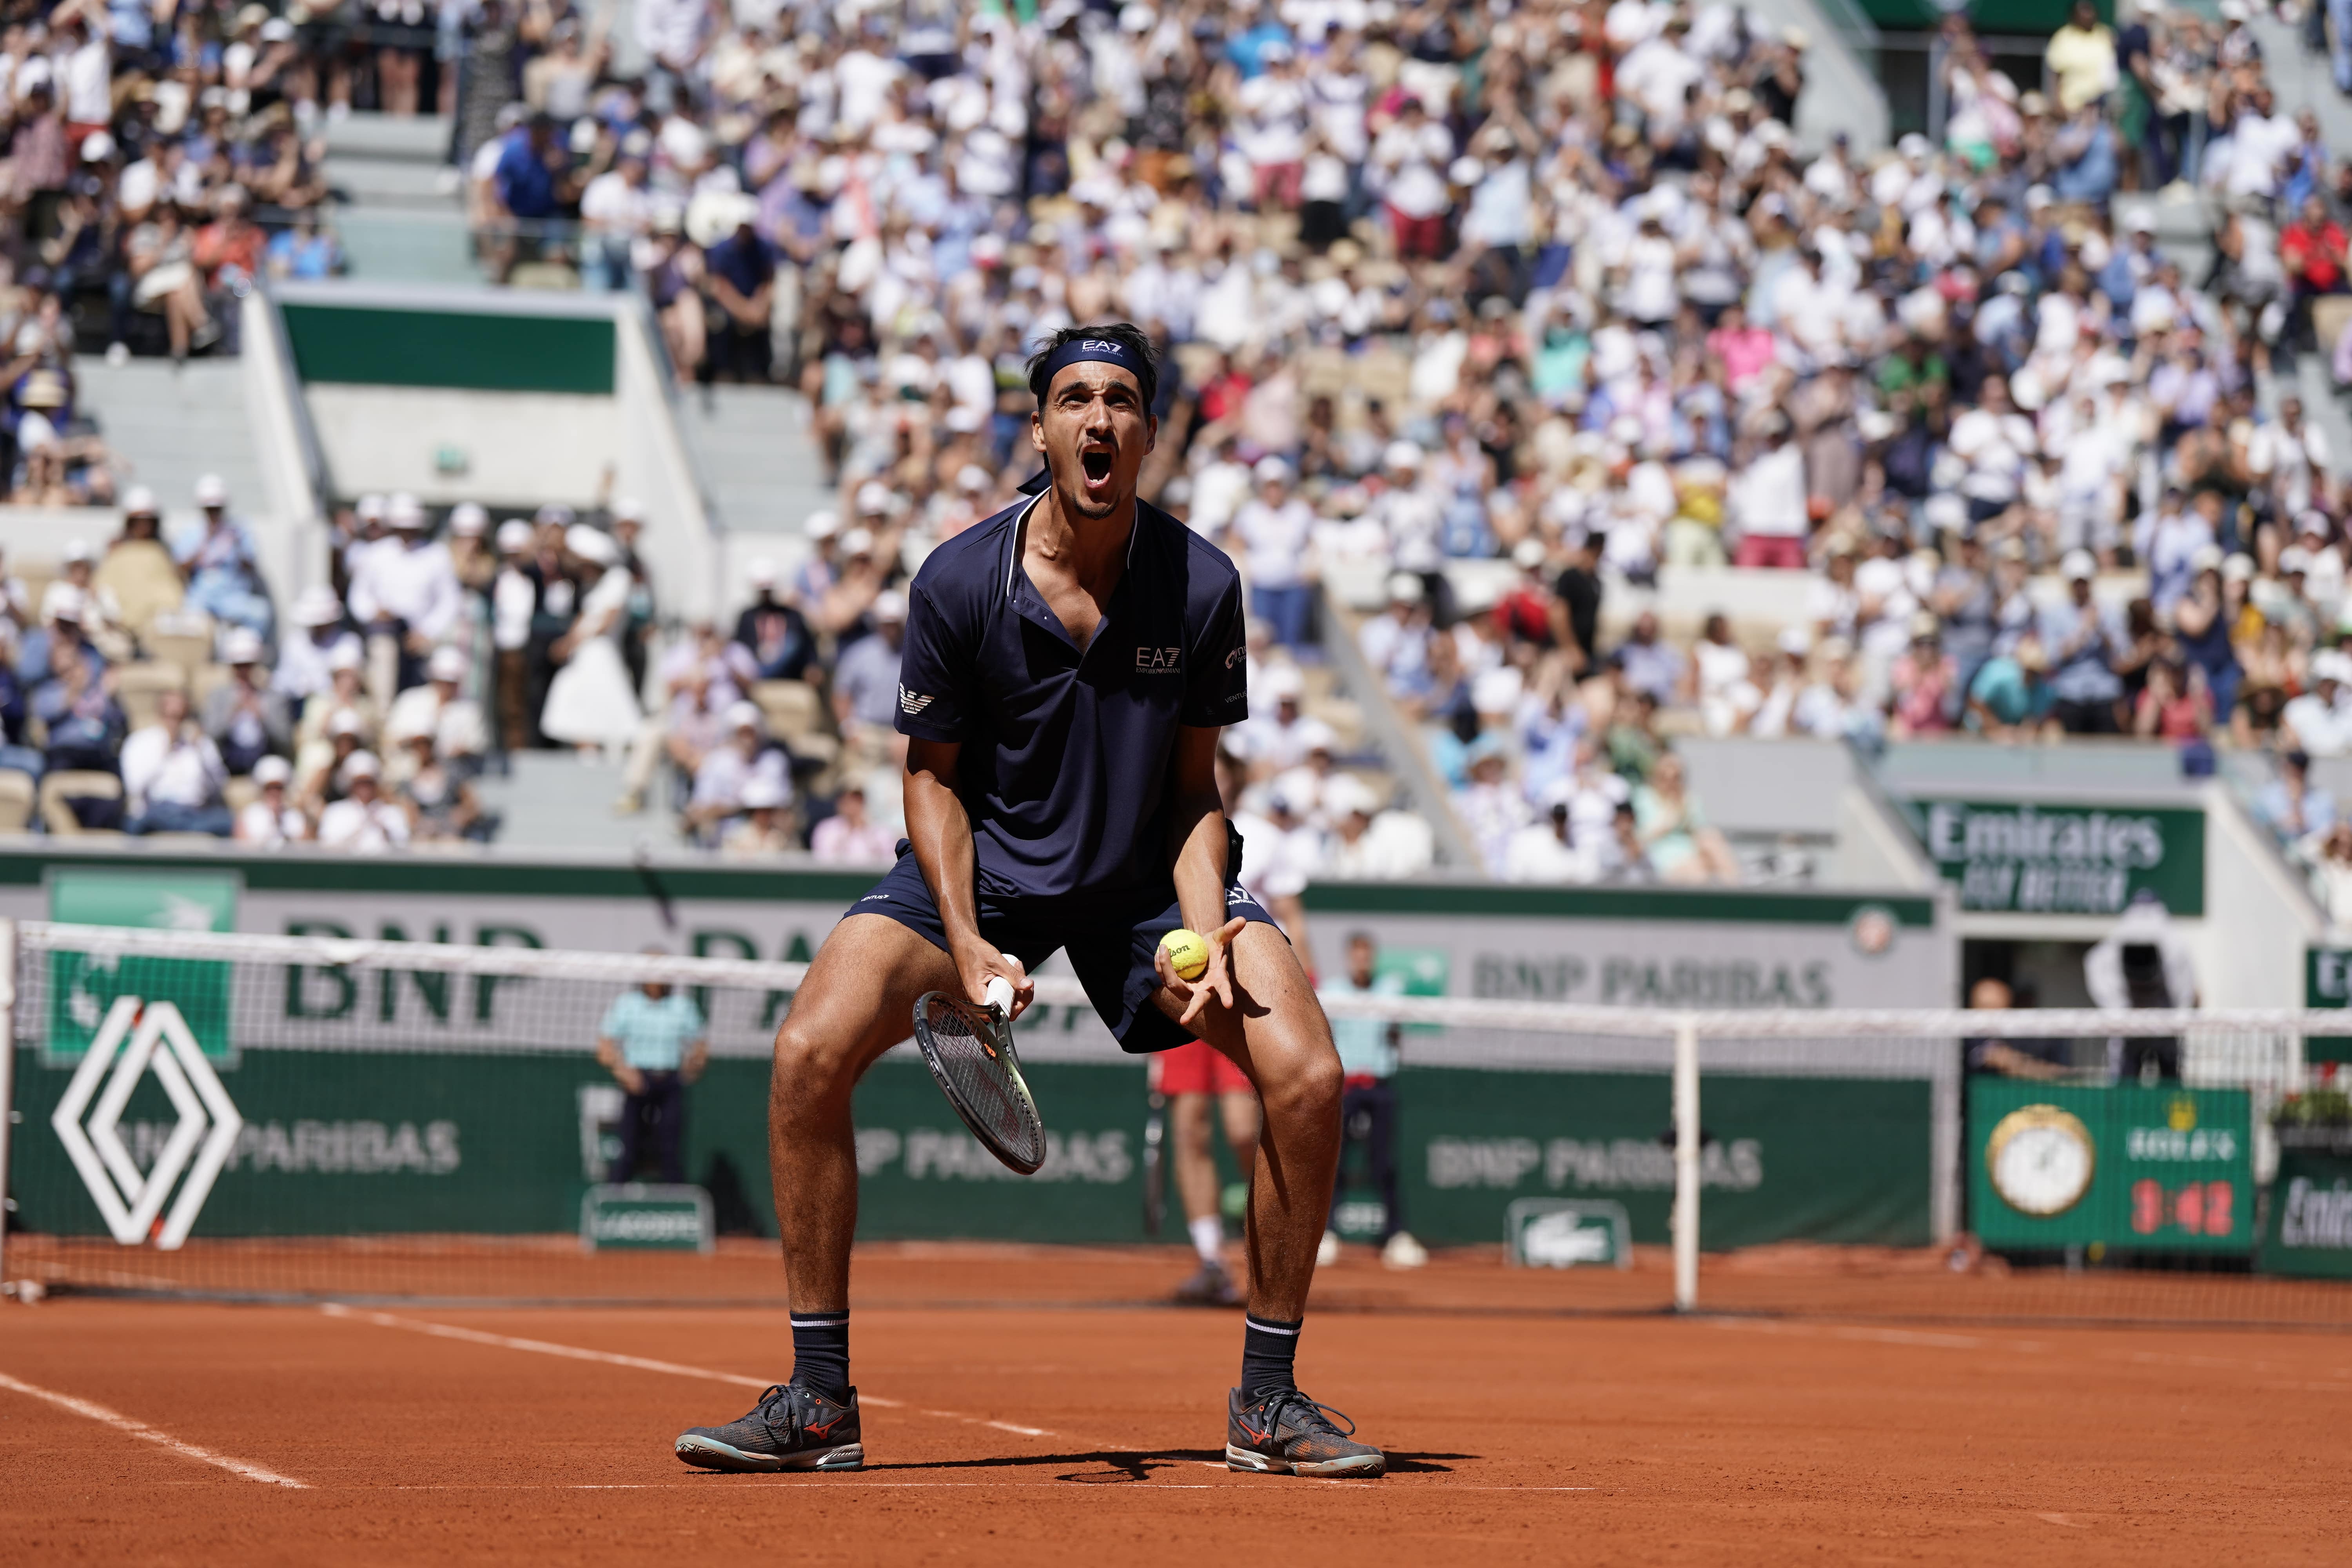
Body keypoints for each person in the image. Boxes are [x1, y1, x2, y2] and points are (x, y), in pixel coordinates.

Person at [674, 324, 1383, 1480]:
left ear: (1149, 432)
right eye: (1072, 399)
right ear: (1041, 428)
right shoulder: (959, 579)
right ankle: (817, 1396)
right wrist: (964, 944)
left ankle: (1266, 1400)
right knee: (805, 1050)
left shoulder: (1201, 583)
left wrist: (1196, 937)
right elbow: (931, 779)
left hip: (1142, 880)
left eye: (1119, 401)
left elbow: (1196, 791)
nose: (1096, 420)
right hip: (983, 870)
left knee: (1306, 1074)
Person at [1316, 932, 1424, 1270]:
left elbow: (1396, 1033)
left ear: (1373, 958)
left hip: (1380, 1086)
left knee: (1384, 1164)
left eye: (1368, 955)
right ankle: (1326, 1234)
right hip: (1345, 1089)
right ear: (1350, 958)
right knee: (1335, 1164)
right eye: (1357, 955)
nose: (1362, 961)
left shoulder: (1391, 991)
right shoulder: (1332, 993)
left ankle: (1396, 1236)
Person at [1154, 1033, 1259, 1308]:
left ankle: (1275, 1251)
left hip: (1240, 1004)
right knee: (1189, 1133)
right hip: (1179, 1005)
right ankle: (1212, 1263)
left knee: (1243, 1131)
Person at [596, 957, 709, 1185]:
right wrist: (624, 1072)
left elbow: (701, 1047)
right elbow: (605, 1047)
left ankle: (676, 1207)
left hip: (670, 1083)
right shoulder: (627, 1004)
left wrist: (691, 1067)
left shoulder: (682, 1006)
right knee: (628, 1147)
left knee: (670, 1149)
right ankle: (615, 1201)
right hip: (637, 1082)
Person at [537, 526, 644, 751]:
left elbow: (607, 621)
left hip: (601, 654)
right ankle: (588, 755)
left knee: (607, 710)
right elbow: (584, 619)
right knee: (579, 711)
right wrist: (567, 643)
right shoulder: (592, 585)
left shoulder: (619, 578)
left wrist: (573, 642)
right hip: (584, 655)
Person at [121, 688, 234, 836]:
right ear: (160, 714)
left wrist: (201, 753)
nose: (175, 723)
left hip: (195, 814)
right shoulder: (140, 742)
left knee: (228, 822)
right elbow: (134, 788)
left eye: (181, 717)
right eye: (171, 716)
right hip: (156, 812)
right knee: (134, 824)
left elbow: (219, 787)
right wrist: (163, 754)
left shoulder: (201, 744)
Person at [1961, 975, 2070, 1079]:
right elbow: (1996, 1057)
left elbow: (2056, 1072)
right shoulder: (1965, 1041)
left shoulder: (2020, 1038)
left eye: (2001, 1011)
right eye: (1987, 1009)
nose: (1994, 1018)